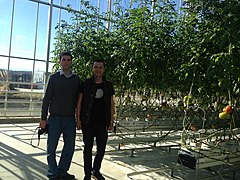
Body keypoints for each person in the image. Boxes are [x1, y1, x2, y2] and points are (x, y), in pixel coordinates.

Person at [39, 51, 81, 180]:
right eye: (64, 59)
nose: (66, 62)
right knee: (51, 147)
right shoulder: (54, 78)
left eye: (68, 60)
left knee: (69, 147)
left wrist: (78, 119)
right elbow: (46, 100)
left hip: (69, 119)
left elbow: (79, 101)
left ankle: (62, 171)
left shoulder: (76, 80)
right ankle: (53, 172)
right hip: (55, 118)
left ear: (71, 62)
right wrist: (43, 119)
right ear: (60, 61)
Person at [77, 59, 115, 180]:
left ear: (103, 69)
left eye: (100, 67)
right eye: (96, 67)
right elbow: (79, 102)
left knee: (101, 149)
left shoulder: (108, 85)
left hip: (102, 123)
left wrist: (111, 120)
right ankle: (87, 174)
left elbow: (111, 104)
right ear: (92, 69)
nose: (98, 69)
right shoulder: (86, 84)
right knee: (87, 149)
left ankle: (96, 170)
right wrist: (78, 119)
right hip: (88, 122)